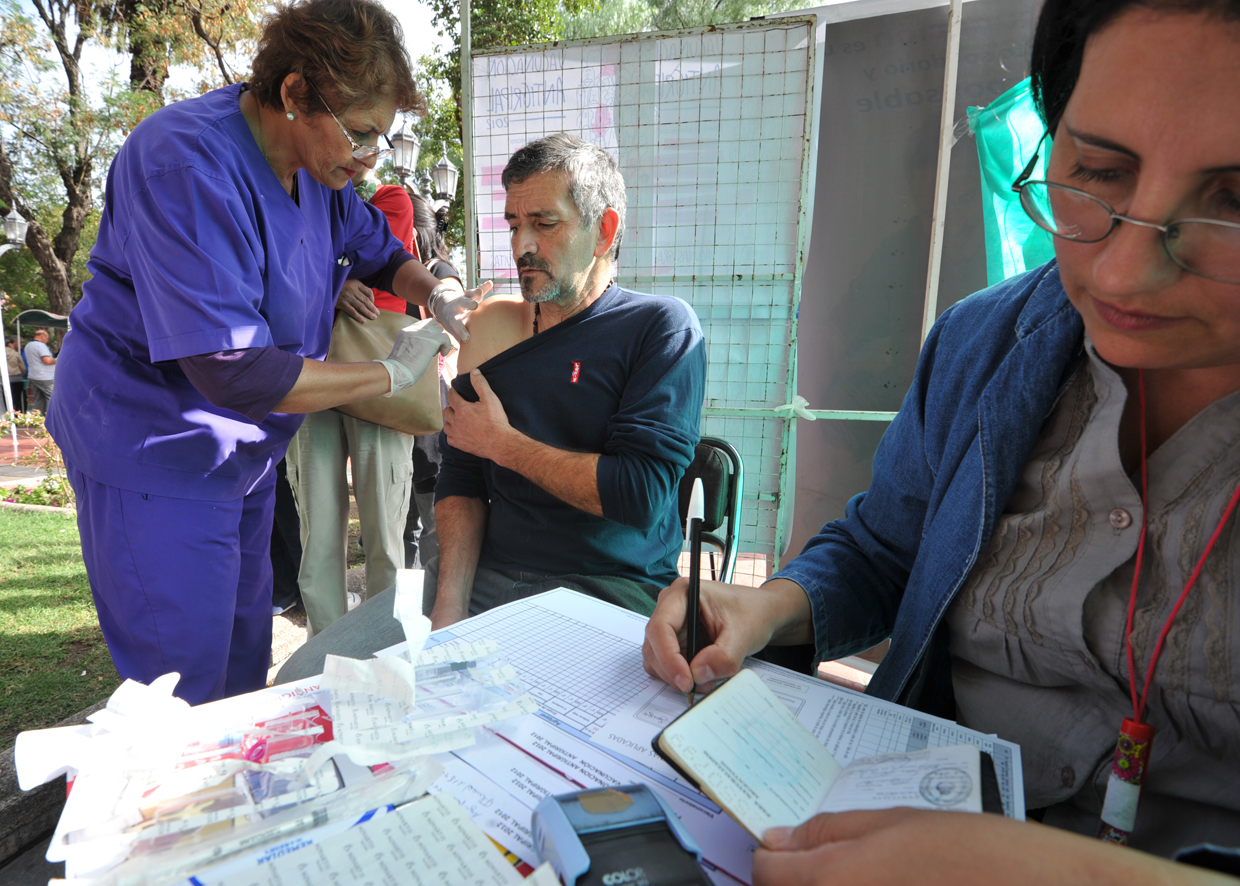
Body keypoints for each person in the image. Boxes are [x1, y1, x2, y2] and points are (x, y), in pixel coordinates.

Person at [644, 0, 1240, 880]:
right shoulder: (984, 346)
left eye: (1233, 199)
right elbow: (890, 547)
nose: (1121, 272)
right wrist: (771, 607)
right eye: (1099, 172)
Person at [46, 0, 490, 706]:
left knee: (244, 665)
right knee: (181, 686)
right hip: (153, 443)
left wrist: (435, 290)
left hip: (242, 456)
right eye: (362, 134)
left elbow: (376, 249)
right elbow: (234, 367)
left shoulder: (323, 172)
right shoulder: (183, 163)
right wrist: (385, 374)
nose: (371, 156)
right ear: (293, 93)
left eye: (384, 137)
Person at [275, 133, 705, 682]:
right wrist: (449, 611)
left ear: (605, 231)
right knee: (304, 681)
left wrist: (505, 444)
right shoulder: (489, 329)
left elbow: (640, 495)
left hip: (607, 589)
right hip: (480, 579)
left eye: (544, 224)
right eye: (512, 224)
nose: (522, 243)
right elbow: (464, 477)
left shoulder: (660, 328)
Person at [284, 174, 422, 636]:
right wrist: (333, 282)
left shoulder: (388, 197)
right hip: (308, 374)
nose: (361, 145)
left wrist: (326, 276)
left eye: (370, 136)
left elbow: (386, 253)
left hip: (376, 370)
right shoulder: (284, 188)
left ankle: (386, 645)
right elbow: (268, 266)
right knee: (318, 530)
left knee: (385, 528)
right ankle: (325, 652)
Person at [403, 190, 460, 571]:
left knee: (431, 521)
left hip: (424, 407)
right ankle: (396, 609)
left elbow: (455, 333)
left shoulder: (437, 271)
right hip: (396, 404)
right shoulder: (392, 274)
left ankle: (428, 608)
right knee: (404, 523)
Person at [23, 329, 54, 412]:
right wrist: (60, 359)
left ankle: (38, 419)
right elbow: (48, 361)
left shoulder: (28, 345)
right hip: (45, 376)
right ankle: (51, 419)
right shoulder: (40, 346)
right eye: (47, 338)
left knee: (38, 399)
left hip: (33, 375)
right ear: (43, 336)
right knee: (52, 397)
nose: (47, 341)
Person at [4, 337, 24, 412]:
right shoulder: (16, 354)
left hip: (4, 380)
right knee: (17, 399)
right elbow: (22, 367)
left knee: (5, 400)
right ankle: (18, 415)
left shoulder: (1, 354)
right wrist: (21, 374)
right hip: (17, 379)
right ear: (10, 344)